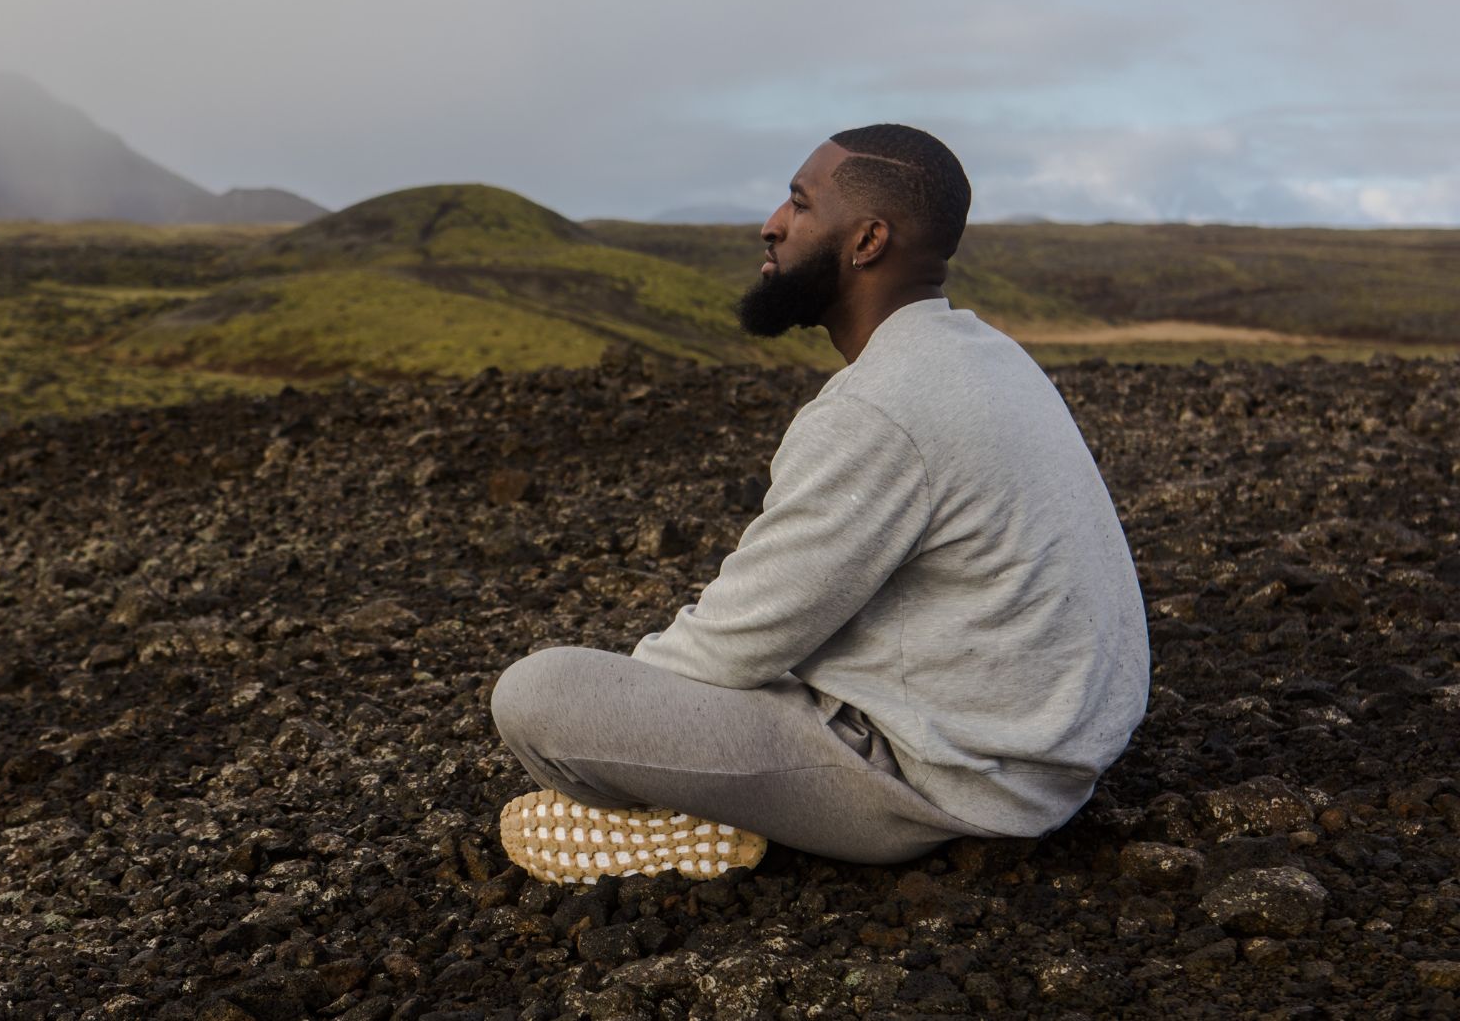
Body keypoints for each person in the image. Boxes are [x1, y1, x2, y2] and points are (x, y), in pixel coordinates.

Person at [489, 123, 1150, 883]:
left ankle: (690, 826)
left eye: (800, 206)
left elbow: (732, 647)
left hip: (945, 784)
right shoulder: (988, 356)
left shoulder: (879, 408)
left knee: (539, 697)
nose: (771, 223)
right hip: (1050, 756)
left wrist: (631, 714)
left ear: (867, 240)